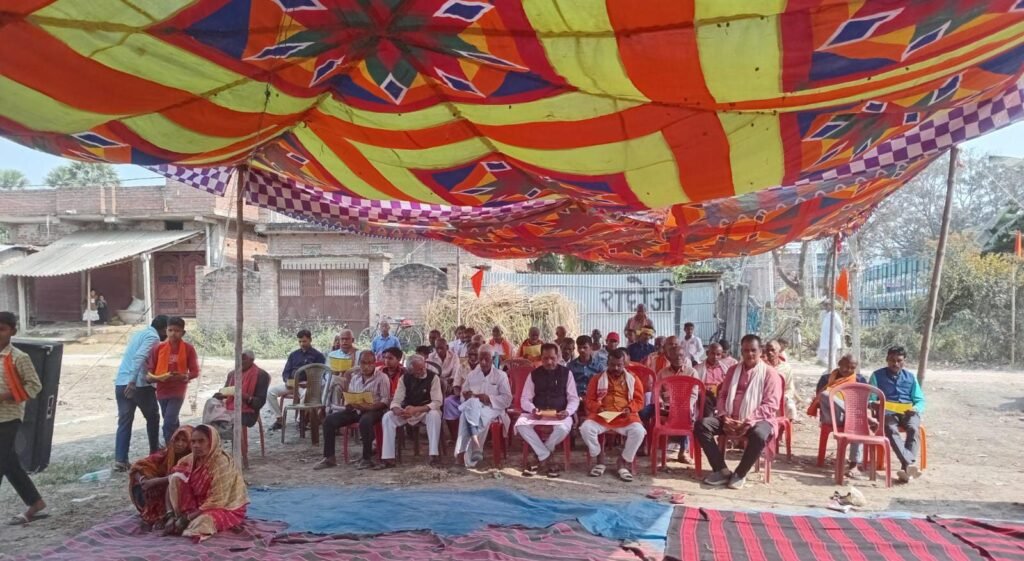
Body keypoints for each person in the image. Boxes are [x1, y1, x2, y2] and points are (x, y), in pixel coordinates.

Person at [696, 334, 782, 490]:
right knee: (702, 425)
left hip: (758, 420)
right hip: (731, 417)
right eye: (746, 350)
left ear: (760, 351)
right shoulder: (733, 370)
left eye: (753, 350)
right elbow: (723, 395)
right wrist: (724, 416)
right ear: (741, 352)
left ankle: (740, 473)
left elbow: (771, 405)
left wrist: (748, 420)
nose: (749, 354)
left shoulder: (770, 373)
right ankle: (721, 470)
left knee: (759, 434)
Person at [0, 311, 46, 525]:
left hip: (9, 416)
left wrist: (6, 396)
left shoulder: (19, 357)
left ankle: (35, 503)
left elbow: (35, 386)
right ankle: (35, 503)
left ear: (12, 331)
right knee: (9, 463)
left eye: (2, 329)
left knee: (3, 460)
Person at [165, 425, 248, 538]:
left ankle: (187, 522)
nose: (196, 445)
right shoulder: (189, 460)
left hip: (224, 507)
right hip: (198, 505)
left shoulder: (221, 463)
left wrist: (188, 518)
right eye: (193, 442)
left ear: (212, 442)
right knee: (176, 477)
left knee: (204, 522)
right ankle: (177, 518)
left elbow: (218, 500)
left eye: (201, 441)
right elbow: (172, 483)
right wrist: (170, 515)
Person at [315, 351, 391, 470]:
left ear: (374, 363)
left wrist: (370, 407)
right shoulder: (356, 377)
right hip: (357, 409)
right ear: (359, 363)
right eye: (363, 363)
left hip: (375, 410)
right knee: (329, 420)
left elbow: (385, 400)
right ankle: (329, 458)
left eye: (370, 363)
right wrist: (349, 404)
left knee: (365, 421)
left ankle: (367, 458)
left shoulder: (382, 377)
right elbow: (350, 395)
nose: (366, 366)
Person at [580, 349, 646, 482]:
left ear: (624, 364)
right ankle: (599, 457)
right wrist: (598, 408)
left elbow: (639, 401)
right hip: (602, 416)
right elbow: (589, 400)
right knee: (585, 428)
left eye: (619, 365)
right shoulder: (597, 378)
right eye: (612, 365)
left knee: (639, 432)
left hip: (625, 417)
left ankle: (623, 461)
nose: (615, 368)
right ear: (607, 363)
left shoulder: (633, 378)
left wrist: (629, 408)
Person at [516, 343, 579, 478]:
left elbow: (574, 399)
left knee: (563, 428)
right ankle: (546, 456)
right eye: (545, 358)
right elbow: (525, 399)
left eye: (552, 358)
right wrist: (533, 410)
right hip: (538, 413)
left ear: (558, 357)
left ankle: (538, 455)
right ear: (541, 358)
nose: (549, 362)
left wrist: (567, 412)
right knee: (521, 425)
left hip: (560, 414)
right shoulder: (534, 374)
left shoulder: (566, 373)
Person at [114, 315, 168, 472]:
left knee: (125, 421)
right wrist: (132, 381)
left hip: (121, 382)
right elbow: (139, 357)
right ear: (164, 329)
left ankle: (121, 459)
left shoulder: (139, 334)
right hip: (138, 385)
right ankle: (154, 451)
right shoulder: (153, 337)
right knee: (153, 417)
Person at [869, 346, 925, 483]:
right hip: (887, 411)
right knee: (890, 428)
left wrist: (916, 408)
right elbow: (870, 399)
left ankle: (906, 467)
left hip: (908, 411)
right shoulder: (877, 376)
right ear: (887, 360)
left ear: (904, 361)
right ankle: (909, 464)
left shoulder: (911, 377)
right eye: (892, 360)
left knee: (913, 428)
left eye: (899, 360)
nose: (895, 364)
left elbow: (919, 400)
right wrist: (873, 403)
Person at [378, 355, 444, 468]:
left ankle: (434, 456)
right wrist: (397, 410)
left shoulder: (433, 378)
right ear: (411, 371)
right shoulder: (404, 378)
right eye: (419, 369)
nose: (423, 371)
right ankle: (388, 458)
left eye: (423, 367)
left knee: (434, 415)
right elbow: (397, 399)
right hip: (407, 411)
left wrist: (417, 409)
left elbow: (437, 402)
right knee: (388, 417)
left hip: (425, 411)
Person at [639, 336, 697, 463]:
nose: (678, 358)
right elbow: (657, 391)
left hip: (683, 407)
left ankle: (683, 451)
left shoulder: (692, 372)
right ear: (669, 357)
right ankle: (643, 444)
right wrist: (660, 403)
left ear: (685, 357)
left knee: (686, 416)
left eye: (681, 356)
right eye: (675, 356)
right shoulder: (662, 373)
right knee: (642, 413)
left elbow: (694, 394)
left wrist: (685, 406)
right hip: (664, 406)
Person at [808, 353, 867, 476]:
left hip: (850, 418)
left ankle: (853, 465)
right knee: (825, 394)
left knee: (857, 422)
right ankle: (854, 413)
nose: (848, 370)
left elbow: (862, 402)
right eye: (846, 366)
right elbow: (820, 400)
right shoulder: (826, 378)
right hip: (831, 416)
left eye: (852, 368)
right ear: (839, 363)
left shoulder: (859, 380)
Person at [454, 348, 512, 468]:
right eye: (481, 359)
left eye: (487, 359)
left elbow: (507, 399)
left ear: (493, 359)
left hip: (493, 408)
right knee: (473, 404)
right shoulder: (472, 375)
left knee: (466, 415)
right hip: (473, 407)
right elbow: (463, 394)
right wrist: (466, 396)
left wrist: (488, 398)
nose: (483, 362)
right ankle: (473, 450)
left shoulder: (501, 375)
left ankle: (461, 453)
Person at [146, 317, 200, 445]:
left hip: (178, 390)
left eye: (177, 331)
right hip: (162, 390)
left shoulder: (188, 349)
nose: (173, 334)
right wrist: (154, 377)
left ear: (183, 333)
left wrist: (184, 376)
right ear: (166, 331)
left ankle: (169, 448)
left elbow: (195, 371)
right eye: (170, 330)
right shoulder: (158, 349)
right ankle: (180, 446)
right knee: (172, 421)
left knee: (168, 422)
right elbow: (150, 371)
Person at [129, 426, 193, 529]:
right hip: (155, 493)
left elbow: (182, 477)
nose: (179, 443)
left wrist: (155, 482)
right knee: (141, 485)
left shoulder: (194, 458)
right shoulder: (166, 454)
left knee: (171, 486)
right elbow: (136, 467)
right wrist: (143, 480)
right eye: (177, 439)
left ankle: (166, 516)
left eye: (184, 440)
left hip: (177, 495)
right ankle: (155, 513)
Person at [202, 350, 271, 441]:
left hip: (248, 412)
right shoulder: (232, 374)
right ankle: (209, 434)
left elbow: (259, 403)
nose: (240, 361)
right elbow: (225, 393)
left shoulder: (261, 375)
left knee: (219, 420)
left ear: (252, 360)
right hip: (229, 407)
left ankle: (225, 436)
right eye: (238, 359)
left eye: (243, 359)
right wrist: (220, 395)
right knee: (210, 402)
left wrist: (245, 397)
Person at [267, 329, 326, 431]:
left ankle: (301, 421)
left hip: (306, 386)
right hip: (291, 384)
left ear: (310, 340)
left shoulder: (318, 356)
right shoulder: (293, 355)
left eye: (304, 341)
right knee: (270, 392)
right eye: (300, 341)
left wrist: (309, 383)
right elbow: (286, 372)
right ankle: (279, 419)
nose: (302, 344)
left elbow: (320, 375)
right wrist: (287, 381)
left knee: (307, 394)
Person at [443, 343, 480, 425]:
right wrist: (460, 394)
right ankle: (454, 432)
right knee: (447, 402)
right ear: (467, 353)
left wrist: (473, 396)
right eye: (470, 354)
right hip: (462, 397)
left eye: (475, 354)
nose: (473, 357)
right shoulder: (462, 366)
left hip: (479, 398)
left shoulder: (484, 366)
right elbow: (456, 385)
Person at [567, 335, 606, 406]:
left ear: (591, 348)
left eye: (585, 347)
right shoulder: (571, 366)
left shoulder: (599, 366)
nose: (582, 350)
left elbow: (604, 385)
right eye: (579, 347)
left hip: (594, 399)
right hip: (575, 399)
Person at [765, 340, 797, 420]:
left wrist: (785, 398)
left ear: (779, 351)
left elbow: (790, 388)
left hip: (781, 398)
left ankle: (785, 426)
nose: (770, 352)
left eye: (773, 350)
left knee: (791, 407)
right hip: (764, 398)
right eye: (767, 350)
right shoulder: (761, 366)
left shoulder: (786, 368)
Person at [695, 342, 729, 415]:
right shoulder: (697, 369)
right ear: (707, 353)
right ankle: (710, 418)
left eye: (718, 354)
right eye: (713, 353)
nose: (715, 357)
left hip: (721, 396)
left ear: (721, 355)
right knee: (704, 398)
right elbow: (695, 388)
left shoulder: (726, 369)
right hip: (706, 396)